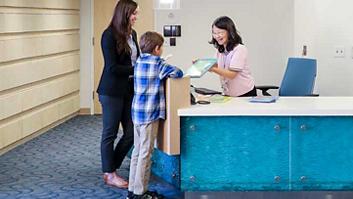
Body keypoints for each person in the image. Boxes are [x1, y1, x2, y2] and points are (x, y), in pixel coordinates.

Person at [127, 31, 183, 199]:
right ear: (157, 49)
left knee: (138, 151)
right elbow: (178, 73)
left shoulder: (139, 61)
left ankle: (133, 188)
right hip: (150, 115)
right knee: (146, 152)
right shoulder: (158, 64)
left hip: (137, 113)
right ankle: (140, 192)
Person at [96, 0, 139, 189]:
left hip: (129, 90)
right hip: (111, 91)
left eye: (137, 13)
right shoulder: (108, 35)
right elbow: (112, 67)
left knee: (131, 133)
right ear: (124, 14)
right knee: (110, 133)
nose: (136, 17)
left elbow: (134, 59)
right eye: (133, 14)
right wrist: (136, 68)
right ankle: (110, 173)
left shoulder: (133, 34)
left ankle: (110, 166)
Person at [209, 16, 257, 97]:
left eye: (220, 33)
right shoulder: (220, 51)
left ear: (229, 32)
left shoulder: (240, 49)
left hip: (245, 94)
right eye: (214, 33)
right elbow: (215, 66)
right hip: (229, 94)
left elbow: (232, 74)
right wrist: (201, 65)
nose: (217, 36)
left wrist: (212, 68)